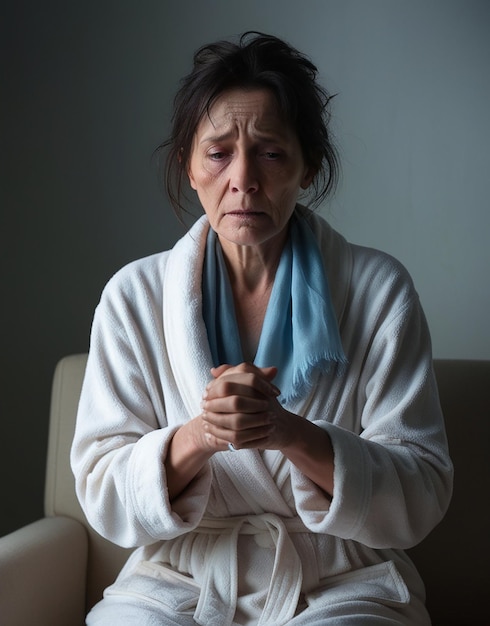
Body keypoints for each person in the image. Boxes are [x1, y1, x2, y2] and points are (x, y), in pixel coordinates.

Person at [71, 32, 453, 625]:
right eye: (218, 153)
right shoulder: (134, 297)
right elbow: (102, 489)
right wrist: (200, 435)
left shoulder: (380, 291)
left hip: (341, 581)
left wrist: (291, 434)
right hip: (180, 580)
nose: (243, 179)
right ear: (188, 166)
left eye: (271, 153)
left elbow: (421, 490)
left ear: (308, 166)